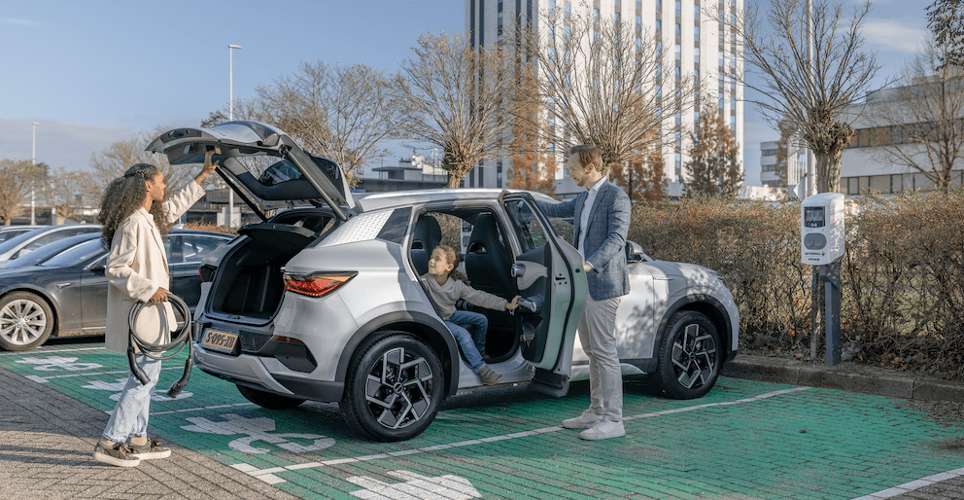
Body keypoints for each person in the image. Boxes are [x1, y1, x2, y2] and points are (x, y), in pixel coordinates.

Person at [92, 149, 219, 467]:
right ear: (147, 185)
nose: (164, 187)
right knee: (143, 379)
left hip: (149, 317)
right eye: (161, 182)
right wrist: (150, 289)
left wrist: (203, 175)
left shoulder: (146, 218)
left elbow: (173, 207)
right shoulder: (133, 223)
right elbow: (115, 269)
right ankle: (110, 441)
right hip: (142, 315)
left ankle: (138, 438)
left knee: (145, 376)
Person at [536, 144, 631, 440]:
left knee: (604, 351)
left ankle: (614, 420)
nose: (571, 174)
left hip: (602, 284)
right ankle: (596, 411)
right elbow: (552, 210)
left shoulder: (616, 196)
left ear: (590, 168)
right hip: (582, 284)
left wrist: (589, 264)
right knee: (592, 352)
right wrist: (521, 199)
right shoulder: (583, 198)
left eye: (573, 169)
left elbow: (617, 239)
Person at [422, 244, 520, 385]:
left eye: (437, 259)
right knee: (463, 334)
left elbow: (479, 297)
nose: (431, 261)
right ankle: (482, 371)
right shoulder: (424, 282)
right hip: (438, 320)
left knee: (482, 319)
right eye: (431, 257)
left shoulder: (456, 285)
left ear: (449, 267)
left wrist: (506, 304)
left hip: (450, 315)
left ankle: (479, 351)